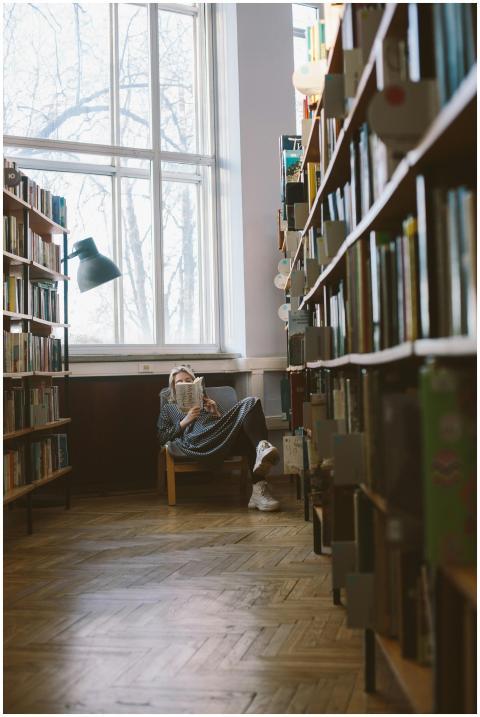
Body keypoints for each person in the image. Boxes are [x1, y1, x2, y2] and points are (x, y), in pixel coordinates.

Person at [157, 365, 281, 511]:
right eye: (180, 382)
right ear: (173, 387)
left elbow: (228, 424)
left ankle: (259, 489)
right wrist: (185, 421)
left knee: (251, 403)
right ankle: (261, 451)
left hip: (220, 437)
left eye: (188, 380)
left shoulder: (208, 401)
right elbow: (162, 437)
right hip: (197, 440)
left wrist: (216, 412)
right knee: (249, 428)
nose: (185, 383)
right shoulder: (169, 408)